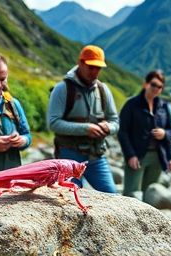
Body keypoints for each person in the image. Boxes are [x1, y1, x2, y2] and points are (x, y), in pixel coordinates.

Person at [47, 45, 118, 193]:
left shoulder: (104, 90)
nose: (95, 71)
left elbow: (115, 121)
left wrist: (108, 127)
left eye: (98, 68)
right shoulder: (62, 88)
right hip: (68, 156)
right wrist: (86, 129)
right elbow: (53, 123)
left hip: (96, 156)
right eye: (91, 67)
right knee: (70, 197)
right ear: (80, 63)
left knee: (112, 195)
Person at [117, 70, 171, 198]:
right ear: (145, 84)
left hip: (158, 157)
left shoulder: (163, 106)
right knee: (130, 195)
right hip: (137, 156)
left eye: (159, 86)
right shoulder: (131, 104)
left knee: (150, 194)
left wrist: (164, 134)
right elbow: (122, 132)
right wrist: (130, 155)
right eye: (153, 84)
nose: (156, 88)